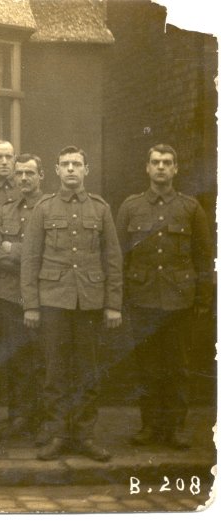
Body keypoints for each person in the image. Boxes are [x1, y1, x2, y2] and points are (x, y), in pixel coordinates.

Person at [21, 145, 123, 462]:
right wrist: (31, 305)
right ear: (55, 170)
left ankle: (84, 435)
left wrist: (113, 304)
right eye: (64, 164)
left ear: (86, 170)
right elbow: (30, 259)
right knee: (54, 373)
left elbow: (113, 259)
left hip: (90, 304)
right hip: (53, 303)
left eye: (76, 164)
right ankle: (57, 435)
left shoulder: (100, 209)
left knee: (88, 372)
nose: (70, 170)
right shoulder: (44, 208)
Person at [116, 144, 213, 450]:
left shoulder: (190, 208)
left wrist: (203, 301)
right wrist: (118, 299)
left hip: (179, 302)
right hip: (142, 299)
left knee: (178, 367)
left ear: (175, 169)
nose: (160, 167)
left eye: (167, 162)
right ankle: (150, 426)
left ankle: (175, 428)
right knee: (147, 366)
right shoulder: (131, 207)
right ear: (147, 168)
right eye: (155, 162)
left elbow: (203, 258)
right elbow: (119, 257)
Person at [0, 154, 46, 440]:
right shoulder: (3, 211)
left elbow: (48, 254)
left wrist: (15, 249)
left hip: (40, 295)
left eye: (29, 173)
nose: (23, 178)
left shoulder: (49, 208)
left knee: (35, 357)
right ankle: (16, 415)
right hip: (6, 295)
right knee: (10, 356)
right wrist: (23, 256)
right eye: (19, 174)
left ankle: (34, 415)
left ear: (41, 176)